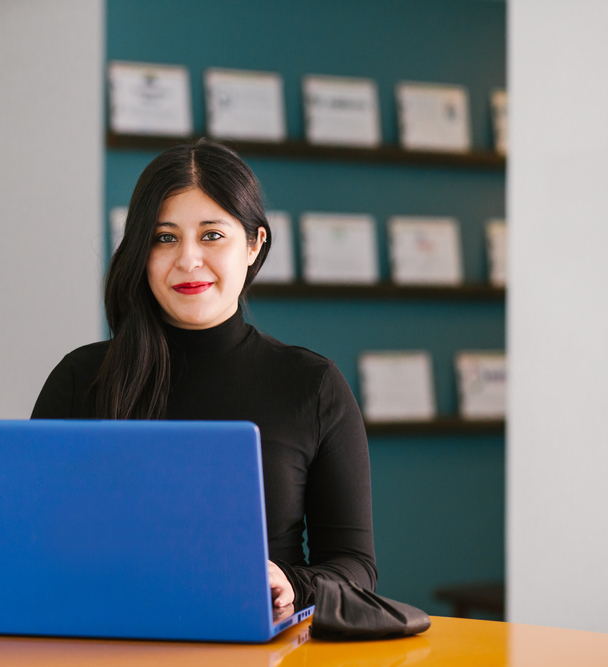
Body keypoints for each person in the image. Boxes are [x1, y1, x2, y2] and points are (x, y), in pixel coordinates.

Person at [32, 138, 376, 616]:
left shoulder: (312, 384)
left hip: (258, 646)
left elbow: (355, 565)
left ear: (254, 244)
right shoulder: (79, 378)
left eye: (212, 235)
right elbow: (34, 543)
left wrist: (293, 581)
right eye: (164, 237)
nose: (188, 260)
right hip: (107, 639)